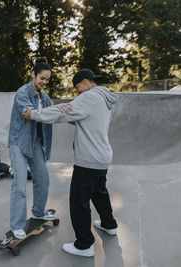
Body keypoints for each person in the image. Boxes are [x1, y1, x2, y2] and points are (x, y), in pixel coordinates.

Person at [23, 69, 118, 257]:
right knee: (99, 193)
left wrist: (34, 114)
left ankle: (84, 245)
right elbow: (81, 119)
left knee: (78, 201)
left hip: (88, 160)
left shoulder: (89, 97)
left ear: (84, 82)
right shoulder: (104, 97)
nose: (78, 93)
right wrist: (67, 116)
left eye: (78, 88)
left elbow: (63, 111)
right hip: (102, 157)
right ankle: (109, 225)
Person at [8, 57, 56, 240]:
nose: (44, 82)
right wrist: (45, 113)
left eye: (47, 79)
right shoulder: (22, 92)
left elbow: (56, 111)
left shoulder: (45, 97)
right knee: (19, 185)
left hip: (35, 142)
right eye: (42, 78)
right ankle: (17, 225)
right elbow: (27, 112)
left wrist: (75, 116)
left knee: (42, 177)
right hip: (19, 141)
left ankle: (38, 211)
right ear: (33, 75)